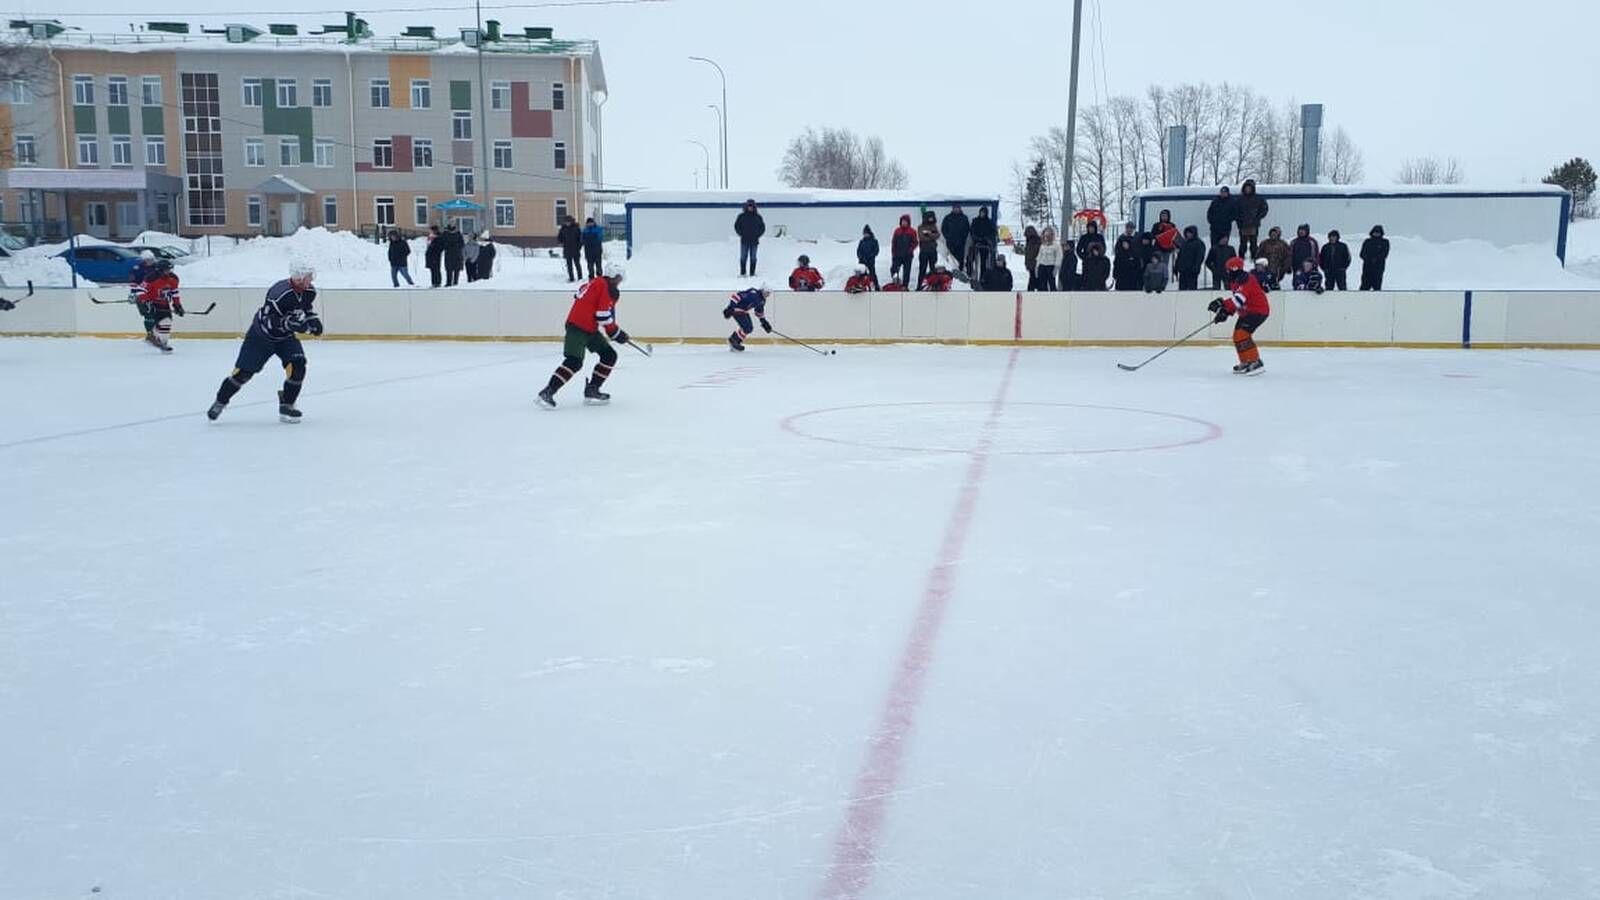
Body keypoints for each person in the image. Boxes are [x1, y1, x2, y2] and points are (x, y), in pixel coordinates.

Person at [207, 261, 321, 423]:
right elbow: (269, 320)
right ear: (298, 278)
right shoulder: (279, 292)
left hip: (285, 338)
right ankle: (220, 401)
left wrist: (313, 320)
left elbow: (305, 307)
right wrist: (288, 323)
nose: (311, 280)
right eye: (308, 277)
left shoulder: (309, 290)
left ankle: (287, 404)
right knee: (243, 373)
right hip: (261, 337)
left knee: (298, 366)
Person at [537, 262, 630, 407]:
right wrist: (615, 333)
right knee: (574, 361)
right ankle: (547, 392)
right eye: (618, 278)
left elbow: (581, 295)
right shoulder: (604, 286)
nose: (619, 282)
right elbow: (603, 315)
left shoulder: (596, 283)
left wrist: (615, 332)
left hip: (589, 328)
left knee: (609, 355)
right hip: (577, 327)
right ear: (612, 276)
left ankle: (592, 390)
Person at [1207, 256, 1271, 375]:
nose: (1227, 272)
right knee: (1237, 336)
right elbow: (1237, 301)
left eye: (1228, 270)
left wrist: (1224, 307)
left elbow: (1239, 300)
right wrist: (1224, 309)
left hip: (1258, 311)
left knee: (1242, 334)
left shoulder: (1246, 280)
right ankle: (1246, 361)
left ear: (1234, 269)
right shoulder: (1235, 281)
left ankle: (1255, 361)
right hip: (1247, 312)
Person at [135, 257, 184, 352]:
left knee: (167, 321)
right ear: (160, 270)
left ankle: (161, 340)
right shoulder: (151, 278)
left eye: (170, 269)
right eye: (166, 270)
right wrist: (146, 301)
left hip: (163, 302)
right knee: (152, 319)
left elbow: (174, 292)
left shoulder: (173, 278)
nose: (168, 272)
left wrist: (177, 305)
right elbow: (140, 291)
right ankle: (154, 337)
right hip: (149, 302)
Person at [722, 283, 773, 352]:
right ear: (762, 290)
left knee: (749, 328)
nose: (768, 295)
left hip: (743, 311)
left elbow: (759, 312)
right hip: (736, 309)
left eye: (769, 293)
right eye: (767, 292)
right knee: (747, 327)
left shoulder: (762, 301)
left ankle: (735, 340)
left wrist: (764, 322)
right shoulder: (753, 294)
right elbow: (736, 296)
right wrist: (730, 307)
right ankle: (734, 340)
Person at [1233, 179, 1269, 260]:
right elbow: (1235, 211)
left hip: (1254, 224)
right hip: (1243, 225)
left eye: (1249, 188)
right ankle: (1241, 258)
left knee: (1254, 243)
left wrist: (1258, 218)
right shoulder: (1240, 199)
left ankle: (1254, 257)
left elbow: (1264, 209)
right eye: (1246, 188)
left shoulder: (1258, 198)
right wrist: (1239, 221)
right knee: (1243, 243)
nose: (1248, 189)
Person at [735, 198, 765, 276]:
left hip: (754, 241)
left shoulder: (758, 217)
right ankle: (743, 273)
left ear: (754, 207)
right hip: (744, 240)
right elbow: (737, 226)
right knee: (743, 257)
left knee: (753, 258)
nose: (750, 207)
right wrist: (741, 234)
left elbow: (762, 228)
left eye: (752, 206)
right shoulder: (741, 216)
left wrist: (757, 235)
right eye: (749, 206)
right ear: (746, 206)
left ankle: (752, 273)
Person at [968, 206, 998, 279]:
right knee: (971, 260)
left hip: (985, 245)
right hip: (976, 243)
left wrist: (987, 238)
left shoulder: (989, 222)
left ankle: (983, 277)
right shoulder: (975, 221)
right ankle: (970, 276)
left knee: (983, 262)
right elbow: (972, 231)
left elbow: (994, 232)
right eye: (981, 212)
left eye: (984, 213)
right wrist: (976, 238)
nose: (982, 214)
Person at [1174, 225, 1207, 291]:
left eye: (1190, 233)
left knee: (1192, 290)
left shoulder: (1199, 243)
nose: (1188, 234)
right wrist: (1176, 266)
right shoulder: (1184, 243)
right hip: (1183, 270)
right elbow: (1180, 256)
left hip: (1192, 271)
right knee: (1182, 289)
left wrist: (1196, 267)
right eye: (1187, 233)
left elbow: (1200, 257)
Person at [890, 214, 917, 288]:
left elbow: (915, 242)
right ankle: (896, 282)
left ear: (908, 222)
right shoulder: (897, 231)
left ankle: (905, 286)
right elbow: (893, 242)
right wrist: (893, 253)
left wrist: (910, 250)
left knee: (907, 272)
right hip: (898, 255)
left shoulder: (912, 231)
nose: (904, 223)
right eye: (902, 221)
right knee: (893, 268)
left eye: (905, 221)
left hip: (908, 256)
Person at [1112, 224, 1142, 291]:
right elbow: (1117, 255)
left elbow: (1138, 252)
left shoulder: (1137, 237)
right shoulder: (1121, 238)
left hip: (1132, 274)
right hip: (1122, 272)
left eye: (1131, 228)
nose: (1129, 230)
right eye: (1128, 228)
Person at [1360, 225, 1390, 291]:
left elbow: (1384, 254)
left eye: (1378, 232)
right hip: (1367, 268)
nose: (1376, 234)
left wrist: (1376, 259)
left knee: (1377, 288)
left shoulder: (1385, 242)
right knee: (1364, 288)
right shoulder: (1367, 242)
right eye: (1375, 232)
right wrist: (1369, 259)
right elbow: (1362, 254)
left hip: (1378, 268)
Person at [917, 211, 942, 285]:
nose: (931, 219)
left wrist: (928, 234)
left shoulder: (934, 226)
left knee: (933, 269)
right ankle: (920, 285)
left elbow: (937, 235)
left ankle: (933, 285)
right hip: (924, 251)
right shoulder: (920, 227)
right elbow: (922, 238)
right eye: (929, 218)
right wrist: (932, 235)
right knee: (922, 270)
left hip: (933, 251)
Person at [941, 204, 970, 269]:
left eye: (958, 208)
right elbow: (943, 229)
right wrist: (948, 237)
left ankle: (960, 274)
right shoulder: (948, 218)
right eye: (955, 208)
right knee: (951, 259)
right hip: (951, 243)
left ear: (960, 208)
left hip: (961, 243)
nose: (956, 209)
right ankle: (952, 274)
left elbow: (967, 229)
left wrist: (963, 238)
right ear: (952, 208)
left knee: (960, 259)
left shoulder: (964, 218)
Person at [1035, 227, 1061, 291]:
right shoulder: (1042, 246)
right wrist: (1037, 267)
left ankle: (1053, 297)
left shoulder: (1056, 246)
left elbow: (1058, 257)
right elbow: (1039, 257)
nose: (1047, 238)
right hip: (1042, 266)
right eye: (1046, 236)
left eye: (1049, 236)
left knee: (1052, 284)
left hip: (1051, 266)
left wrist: (1056, 267)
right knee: (1042, 284)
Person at [557, 216, 583, 282]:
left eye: (569, 222)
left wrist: (579, 247)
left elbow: (580, 239)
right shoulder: (563, 229)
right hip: (567, 249)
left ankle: (580, 277)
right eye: (566, 222)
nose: (567, 223)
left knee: (577, 264)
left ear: (571, 221)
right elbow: (559, 237)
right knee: (569, 265)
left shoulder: (576, 228)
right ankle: (571, 278)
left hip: (575, 249)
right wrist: (560, 242)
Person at [1021, 225, 1041, 290]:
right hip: (1031, 264)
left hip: (1035, 264)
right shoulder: (1030, 241)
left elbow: (1032, 252)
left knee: (1034, 280)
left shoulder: (1036, 242)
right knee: (1033, 279)